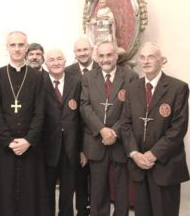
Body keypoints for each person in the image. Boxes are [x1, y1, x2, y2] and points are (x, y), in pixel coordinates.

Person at [121, 42, 189, 216]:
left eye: (150, 56)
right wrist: (134, 153)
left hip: (165, 166)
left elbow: (178, 129)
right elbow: (125, 124)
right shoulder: (132, 88)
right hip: (139, 165)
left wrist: (153, 154)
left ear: (162, 60)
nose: (145, 61)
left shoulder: (178, 88)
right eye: (142, 57)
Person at [0, 31, 49, 216]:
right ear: (7, 48)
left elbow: (40, 112)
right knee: (4, 191)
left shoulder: (36, 77)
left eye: (21, 45)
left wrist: (28, 140)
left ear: (27, 48)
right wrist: (9, 141)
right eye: (13, 45)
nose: (17, 49)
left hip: (30, 146)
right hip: (3, 146)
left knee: (29, 191)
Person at [80, 41, 138, 216]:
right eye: (102, 55)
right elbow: (84, 106)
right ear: (96, 57)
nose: (105, 59)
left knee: (121, 187)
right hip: (96, 139)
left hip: (121, 140)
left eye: (109, 55)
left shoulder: (130, 77)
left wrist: (115, 132)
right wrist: (102, 130)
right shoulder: (88, 77)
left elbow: (132, 108)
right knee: (98, 188)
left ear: (116, 56)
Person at [42, 48, 82, 216]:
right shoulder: (38, 82)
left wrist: (82, 149)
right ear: (46, 64)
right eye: (52, 60)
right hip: (46, 148)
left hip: (70, 148)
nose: (56, 63)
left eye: (59, 59)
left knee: (68, 192)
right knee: (46, 192)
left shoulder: (77, 82)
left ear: (66, 61)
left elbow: (82, 118)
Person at [65, 37, 98, 216]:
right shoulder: (67, 72)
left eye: (86, 49)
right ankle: (81, 210)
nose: (83, 53)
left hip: (98, 130)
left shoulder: (102, 69)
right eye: (79, 50)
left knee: (98, 177)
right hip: (76, 131)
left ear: (92, 50)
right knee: (79, 175)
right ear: (74, 53)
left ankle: (96, 209)